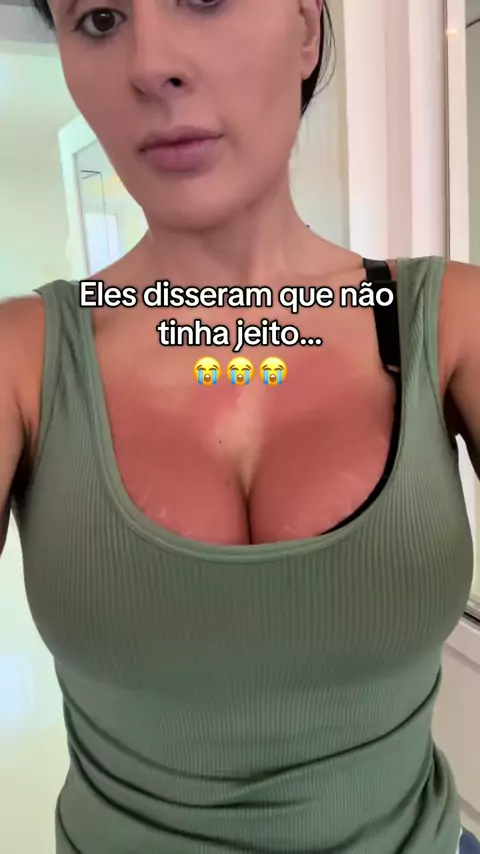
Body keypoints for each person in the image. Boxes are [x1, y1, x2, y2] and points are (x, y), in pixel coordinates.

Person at [1, 0, 479, 852]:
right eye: (100, 19)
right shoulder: (19, 361)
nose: (150, 64)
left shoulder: (451, 323)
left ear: (306, 29)